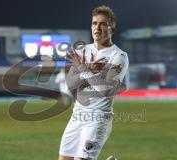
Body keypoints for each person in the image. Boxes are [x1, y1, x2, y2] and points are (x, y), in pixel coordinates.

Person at [58, 5, 129, 160]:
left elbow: (105, 90)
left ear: (112, 29)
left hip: (98, 118)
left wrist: (84, 70)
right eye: (94, 23)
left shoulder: (118, 56)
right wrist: (88, 69)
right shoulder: (82, 51)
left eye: (103, 24)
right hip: (77, 116)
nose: (97, 27)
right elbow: (70, 84)